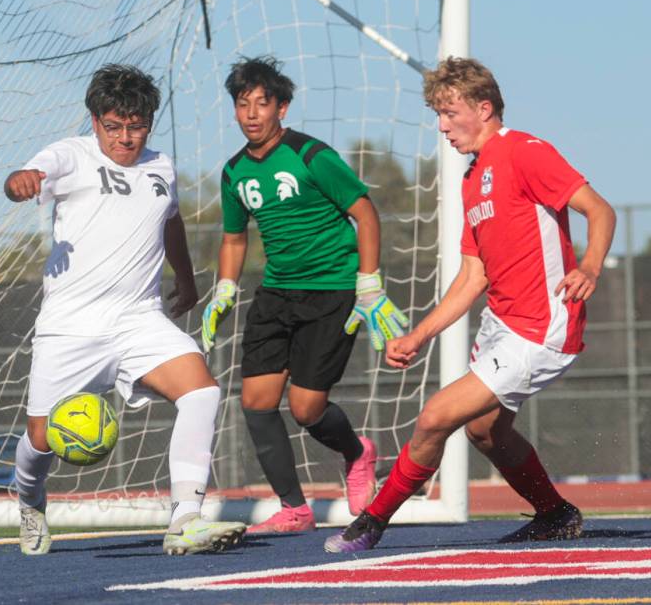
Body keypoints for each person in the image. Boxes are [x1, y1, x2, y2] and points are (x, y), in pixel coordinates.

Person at [325, 56, 617, 553]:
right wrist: (418, 335)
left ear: (484, 108)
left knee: (436, 417)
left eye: (449, 113)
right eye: (437, 115)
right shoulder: (471, 177)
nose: (441, 126)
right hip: (503, 323)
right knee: (484, 431)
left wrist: (589, 266)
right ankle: (556, 514)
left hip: (541, 325)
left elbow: (599, 209)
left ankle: (371, 522)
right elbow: (471, 276)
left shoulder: (525, 151)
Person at [4, 64, 246, 556]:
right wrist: (23, 180)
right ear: (94, 121)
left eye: (135, 126)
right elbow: (23, 179)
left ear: (149, 123)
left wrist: (185, 276)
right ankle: (30, 503)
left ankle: (185, 519)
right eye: (113, 126)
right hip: (70, 326)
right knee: (41, 439)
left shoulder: (160, 167)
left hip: (138, 318)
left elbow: (171, 221)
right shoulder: (69, 155)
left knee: (201, 391)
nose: (124, 137)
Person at [202, 56, 408, 534]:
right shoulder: (233, 172)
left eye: (262, 103)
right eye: (242, 103)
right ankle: (293, 508)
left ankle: (357, 454)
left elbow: (366, 214)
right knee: (254, 401)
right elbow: (235, 239)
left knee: (305, 409)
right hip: (275, 295)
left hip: (332, 292)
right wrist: (225, 288)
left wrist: (369, 282)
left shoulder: (313, 155)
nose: (252, 113)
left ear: (282, 108)